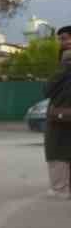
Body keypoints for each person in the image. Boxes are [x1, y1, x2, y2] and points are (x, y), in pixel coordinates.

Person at [45, 26, 71, 199]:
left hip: (61, 116)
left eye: (66, 38)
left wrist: (64, 65)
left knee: (57, 150)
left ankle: (60, 189)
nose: (63, 42)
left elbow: (48, 90)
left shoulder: (65, 64)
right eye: (61, 39)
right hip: (61, 115)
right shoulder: (64, 63)